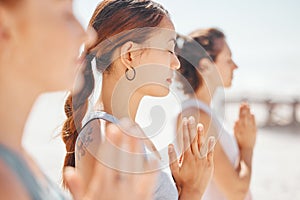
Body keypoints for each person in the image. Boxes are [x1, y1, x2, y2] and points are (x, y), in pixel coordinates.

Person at [0, 0, 158, 199]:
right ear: (4, 28)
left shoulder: (22, 163)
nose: (87, 35)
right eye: (65, 14)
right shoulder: (5, 182)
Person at [61, 0, 215, 199]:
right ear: (131, 55)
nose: (176, 63)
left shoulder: (129, 134)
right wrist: (192, 191)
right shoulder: (103, 136)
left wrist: (183, 188)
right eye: (169, 50)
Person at [176, 28, 257, 200]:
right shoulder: (198, 119)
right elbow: (236, 192)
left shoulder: (203, 113)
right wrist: (247, 148)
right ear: (205, 66)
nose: (235, 66)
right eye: (228, 60)